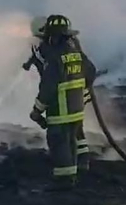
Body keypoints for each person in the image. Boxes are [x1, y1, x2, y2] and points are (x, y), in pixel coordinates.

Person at [23, 14, 97, 188]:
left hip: (60, 111)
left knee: (60, 144)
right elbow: (90, 71)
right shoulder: (75, 52)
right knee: (76, 136)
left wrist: (37, 110)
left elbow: (48, 87)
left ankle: (65, 180)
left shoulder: (54, 58)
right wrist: (83, 93)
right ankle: (82, 164)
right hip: (76, 109)